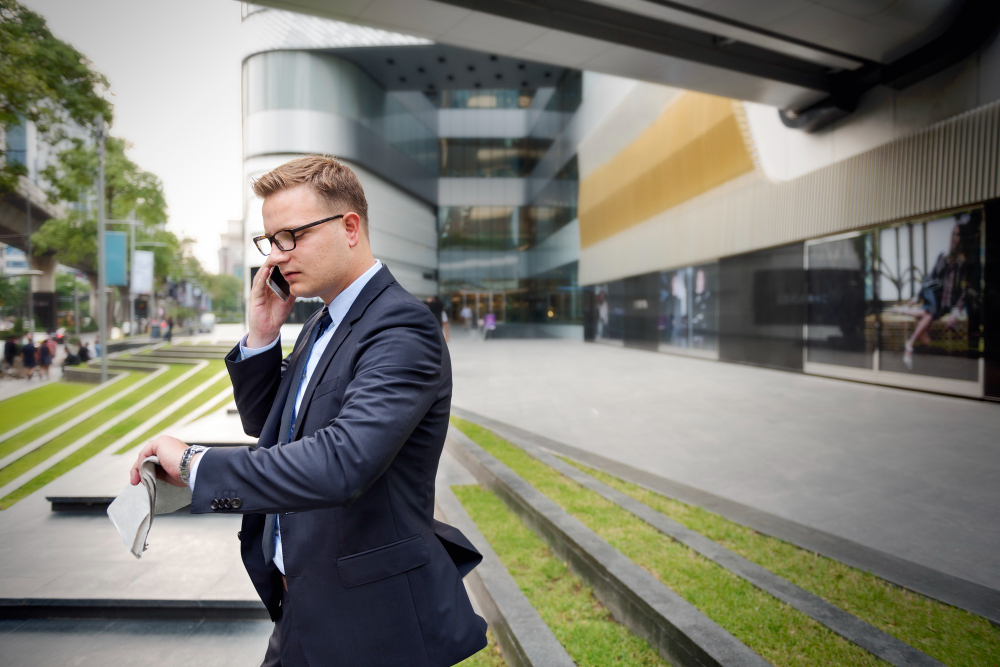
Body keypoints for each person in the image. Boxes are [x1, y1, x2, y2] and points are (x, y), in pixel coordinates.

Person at [129, 156, 487, 667]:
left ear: (349, 227)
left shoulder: (401, 329)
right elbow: (272, 426)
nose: (277, 256)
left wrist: (196, 464)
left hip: (373, 619)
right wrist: (262, 335)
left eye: (291, 235)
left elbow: (340, 463)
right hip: (305, 599)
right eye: (270, 240)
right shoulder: (323, 322)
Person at [903, 220, 968, 370]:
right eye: (953, 234)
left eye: (957, 235)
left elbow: (964, 291)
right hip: (934, 301)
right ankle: (911, 343)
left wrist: (956, 311)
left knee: (928, 314)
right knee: (929, 314)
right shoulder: (942, 257)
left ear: (962, 239)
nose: (954, 238)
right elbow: (929, 277)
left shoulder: (962, 263)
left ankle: (910, 341)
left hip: (945, 305)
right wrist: (916, 297)